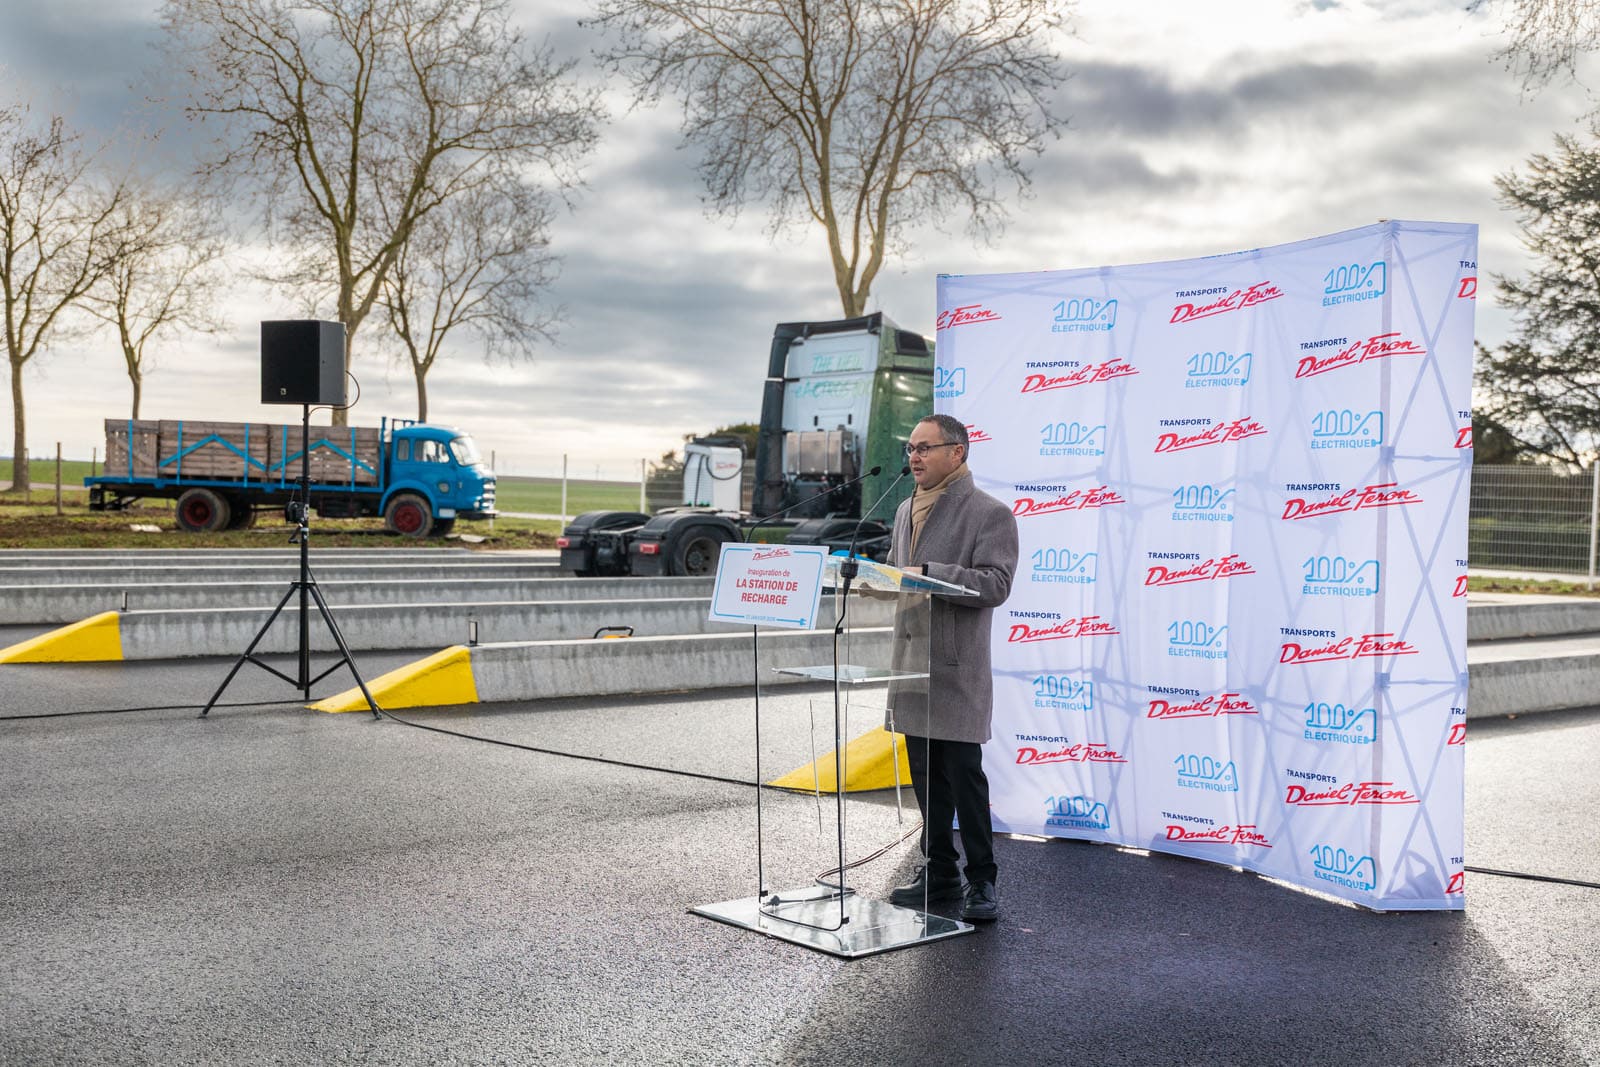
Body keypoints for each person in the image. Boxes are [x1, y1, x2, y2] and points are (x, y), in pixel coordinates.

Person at [885, 413, 1018, 923]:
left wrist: (928, 575)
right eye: (910, 448)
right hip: (911, 662)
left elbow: (995, 585)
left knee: (964, 777)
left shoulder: (990, 513)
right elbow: (900, 573)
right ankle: (939, 870)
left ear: (957, 452)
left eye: (924, 447)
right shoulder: (902, 509)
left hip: (955, 666)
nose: (913, 457)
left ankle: (981, 881)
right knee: (924, 774)